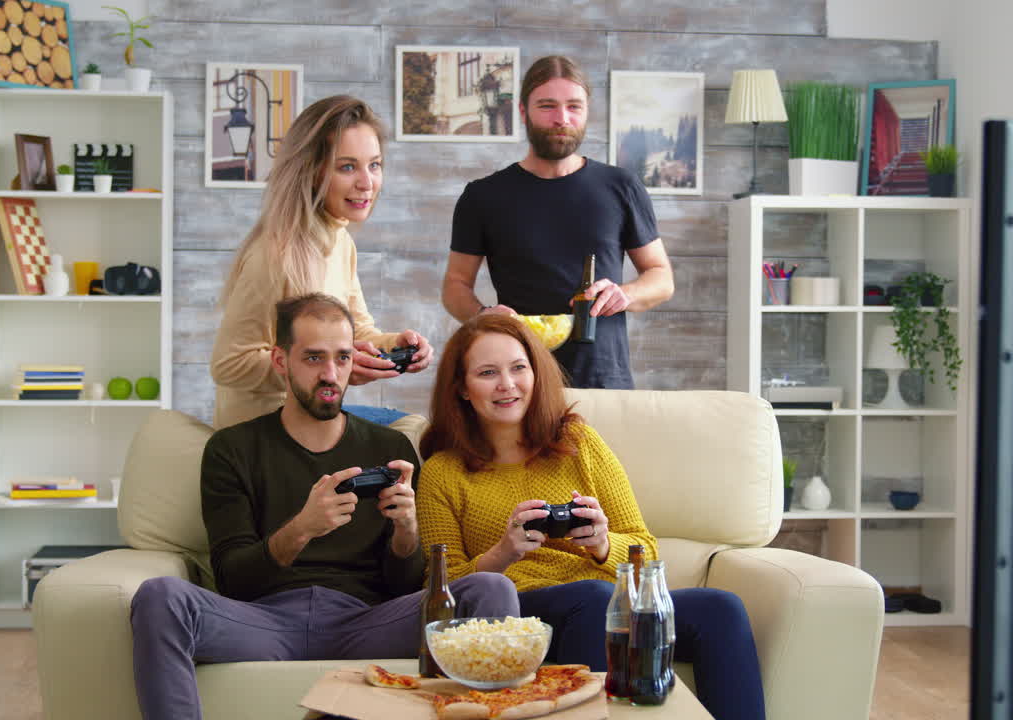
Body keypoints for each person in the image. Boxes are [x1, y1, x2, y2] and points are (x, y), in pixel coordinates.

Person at [130, 294, 518, 720]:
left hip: (366, 621)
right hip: (265, 622)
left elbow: (406, 587)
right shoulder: (232, 449)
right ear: (281, 361)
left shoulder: (390, 446)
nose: (331, 374)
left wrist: (407, 532)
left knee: (491, 589)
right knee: (159, 596)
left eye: (342, 358)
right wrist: (302, 528)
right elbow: (233, 580)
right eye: (313, 358)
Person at [415, 314, 766, 720]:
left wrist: (602, 545)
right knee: (594, 599)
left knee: (720, 608)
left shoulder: (577, 442)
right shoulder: (444, 471)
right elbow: (441, 590)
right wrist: (502, 553)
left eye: (518, 368)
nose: (507, 384)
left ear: (536, 372)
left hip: (608, 603)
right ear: (461, 388)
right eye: (487, 373)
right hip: (525, 613)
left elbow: (646, 554)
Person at [442, 55, 674, 390]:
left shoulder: (621, 186)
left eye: (573, 107)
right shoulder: (482, 196)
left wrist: (624, 294)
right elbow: (455, 285)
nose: (561, 118)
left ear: (586, 111)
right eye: (547, 106)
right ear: (523, 112)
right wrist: (482, 316)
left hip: (604, 380)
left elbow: (661, 277)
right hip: (518, 384)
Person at [212, 95, 434, 429]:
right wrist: (331, 367)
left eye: (374, 165)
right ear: (312, 172)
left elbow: (356, 330)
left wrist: (396, 347)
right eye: (347, 167)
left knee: (418, 430)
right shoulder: (274, 255)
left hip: (310, 417)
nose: (367, 182)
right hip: (265, 430)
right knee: (408, 437)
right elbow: (230, 363)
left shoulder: (340, 242)